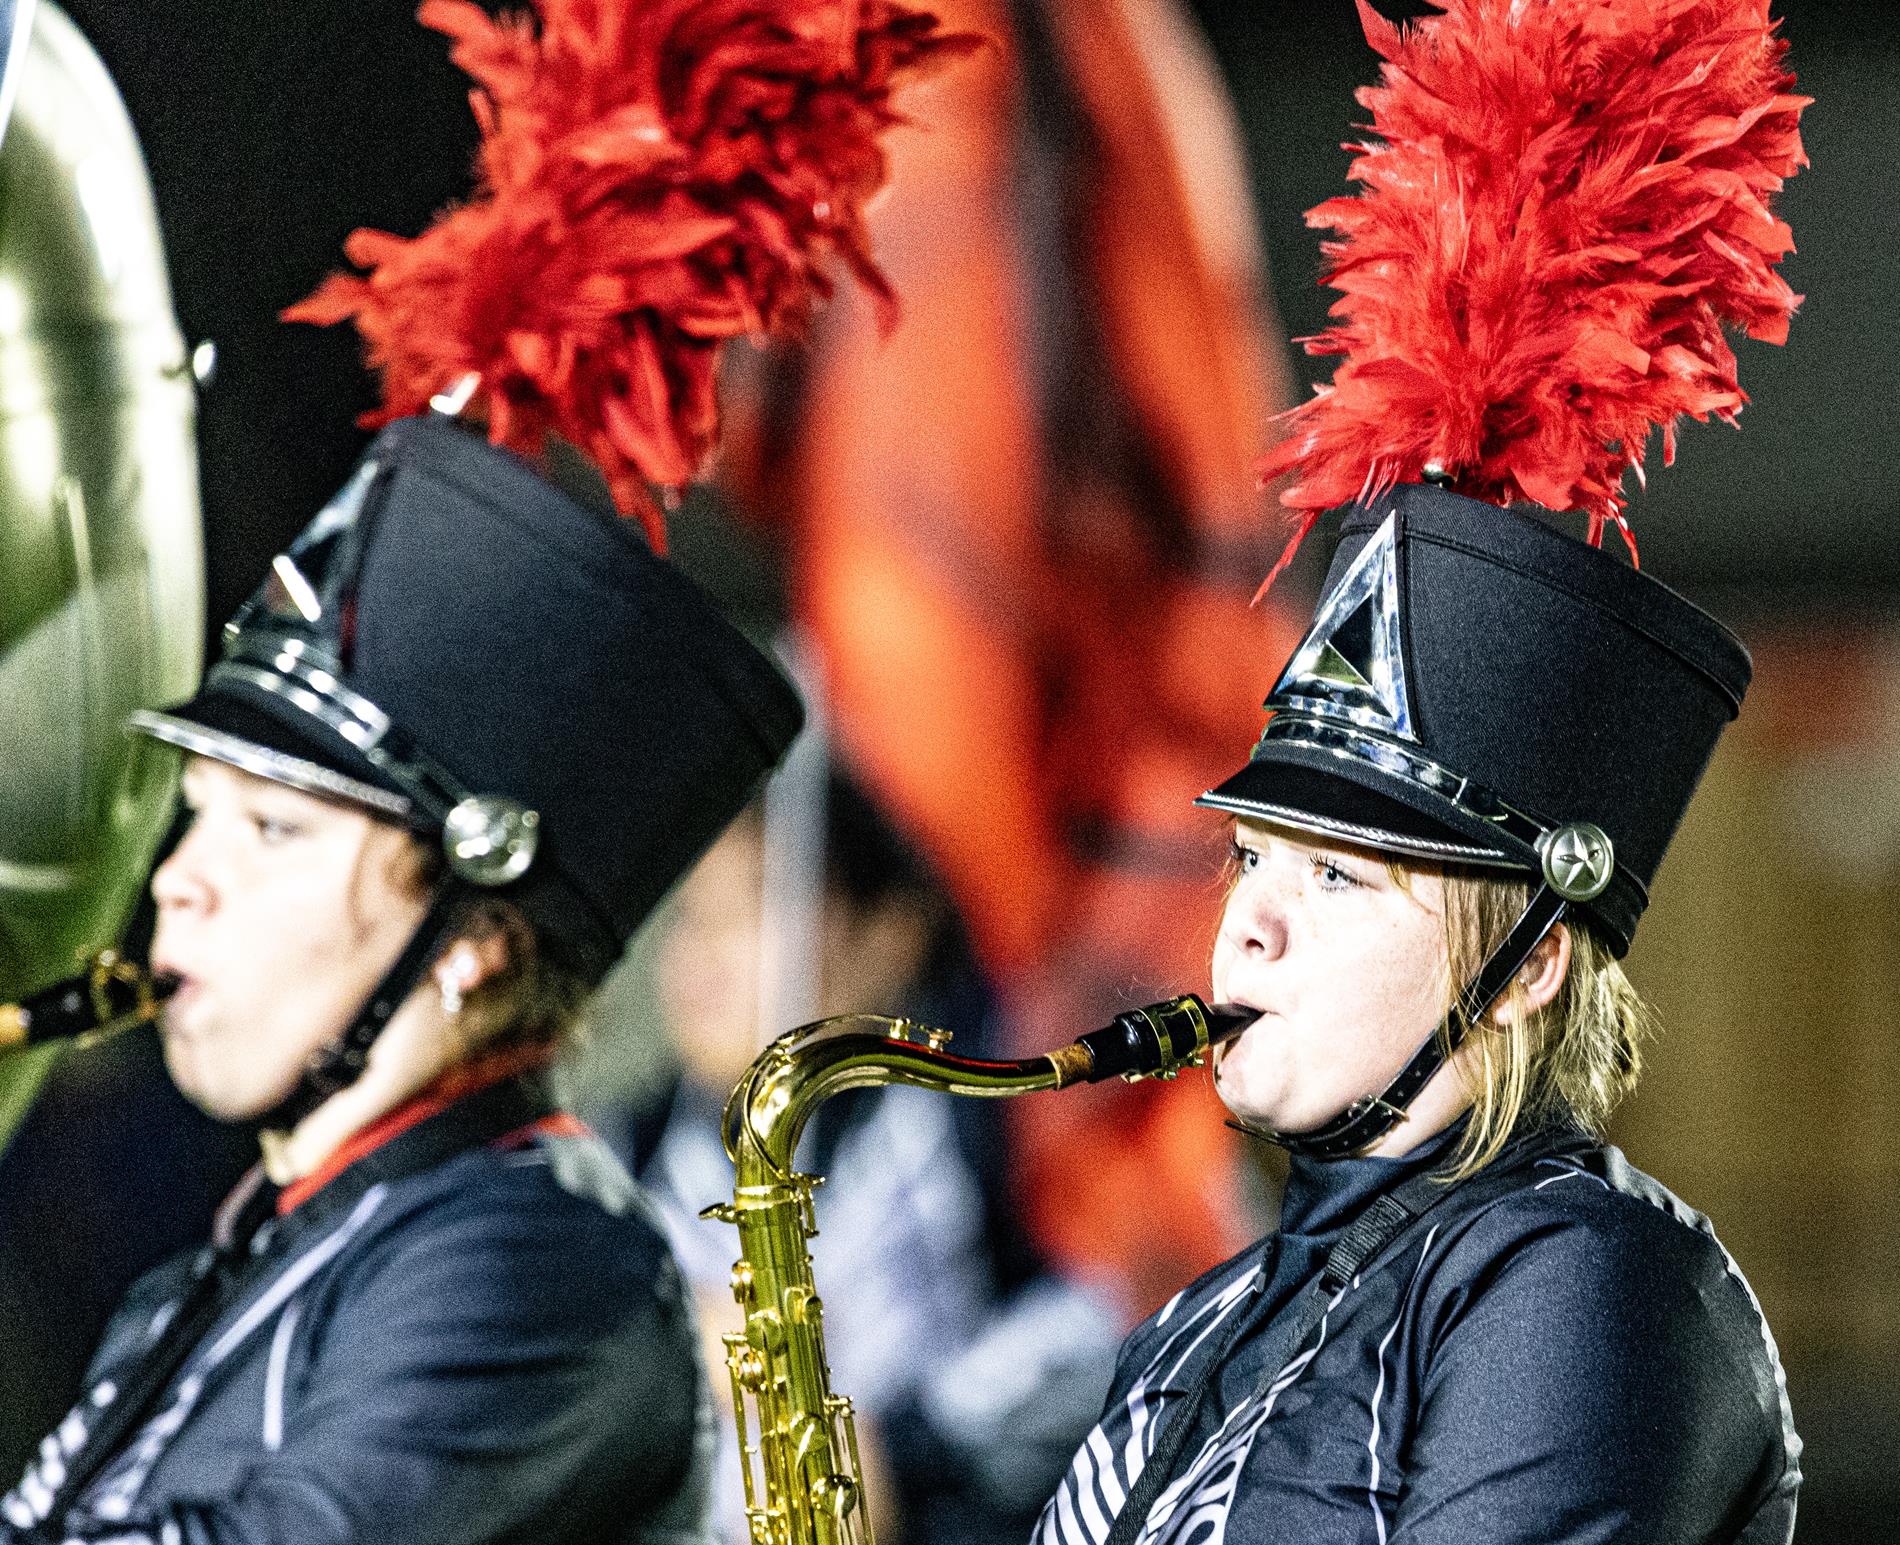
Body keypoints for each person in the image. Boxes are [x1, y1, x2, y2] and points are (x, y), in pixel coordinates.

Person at [0, 0, 972, 1535]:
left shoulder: (532, 1266)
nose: (176, 878)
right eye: (200, 812)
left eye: (266, 828)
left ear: (476, 942)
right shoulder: (253, 1253)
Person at [1034, 0, 1807, 1540]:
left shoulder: (1587, 1280)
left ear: (1523, 965)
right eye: (1255, 856)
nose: (1245, 922)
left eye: (1336, 874)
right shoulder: (1210, 1317)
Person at [615, 773, 1120, 1545]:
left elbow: (1092, 1326)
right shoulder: (621, 1156)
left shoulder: (971, 1126)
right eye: (691, 917)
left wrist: (898, 1450)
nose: (701, 954)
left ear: (889, 934)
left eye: (752, 908)